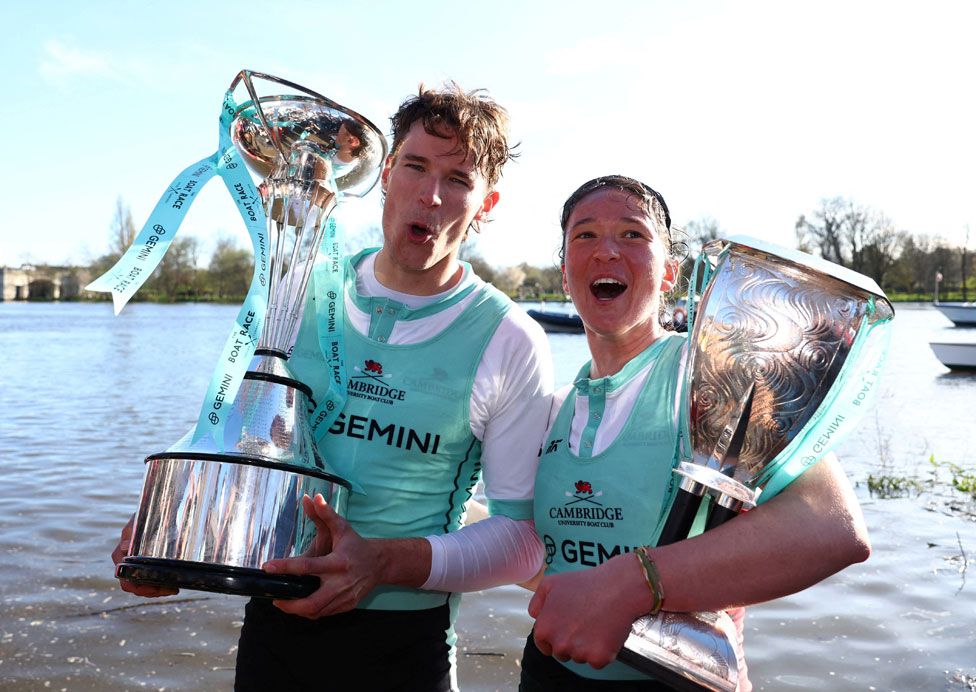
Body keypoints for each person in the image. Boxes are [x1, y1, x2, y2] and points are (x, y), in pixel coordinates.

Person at [112, 83, 553, 692]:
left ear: (486, 204)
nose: (429, 195)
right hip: (273, 626)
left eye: (457, 180)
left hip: (403, 649)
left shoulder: (508, 337)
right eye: (416, 167)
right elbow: (249, 447)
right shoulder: (300, 289)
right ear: (385, 173)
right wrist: (178, 528)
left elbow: (522, 541)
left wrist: (381, 563)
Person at [521, 175, 871, 690]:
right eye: (585, 235)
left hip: (673, 678)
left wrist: (634, 585)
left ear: (670, 272)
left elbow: (833, 529)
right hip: (550, 670)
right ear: (565, 271)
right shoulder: (554, 404)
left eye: (633, 235)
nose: (606, 252)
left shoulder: (721, 375)